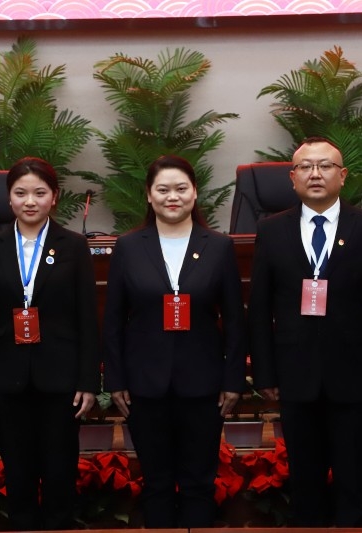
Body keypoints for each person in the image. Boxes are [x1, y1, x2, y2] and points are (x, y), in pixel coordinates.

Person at [248, 136, 362, 527]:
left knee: (354, 481)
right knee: (305, 482)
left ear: (343, 175)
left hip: (353, 375)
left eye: (325, 166)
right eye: (306, 167)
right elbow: (260, 309)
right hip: (294, 374)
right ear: (293, 177)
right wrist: (264, 373)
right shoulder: (271, 230)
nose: (315, 174)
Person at [102, 154, 246, 528]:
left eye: (181, 188)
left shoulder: (218, 246)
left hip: (204, 384)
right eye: (163, 189)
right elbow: (113, 320)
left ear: (195, 193)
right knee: (156, 483)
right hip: (144, 384)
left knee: (199, 483)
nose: (172, 197)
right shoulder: (129, 246)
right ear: (149, 195)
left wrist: (233, 380)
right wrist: (115, 380)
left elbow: (234, 320)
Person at [0, 157, 99, 530]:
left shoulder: (74, 246)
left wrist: (88, 381)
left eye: (39, 193)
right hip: (6, 379)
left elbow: (88, 318)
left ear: (54, 197)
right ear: (9, 198)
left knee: (59, 474)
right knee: (18, 475)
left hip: (61, 379)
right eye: (20, 193)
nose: (30, 201)